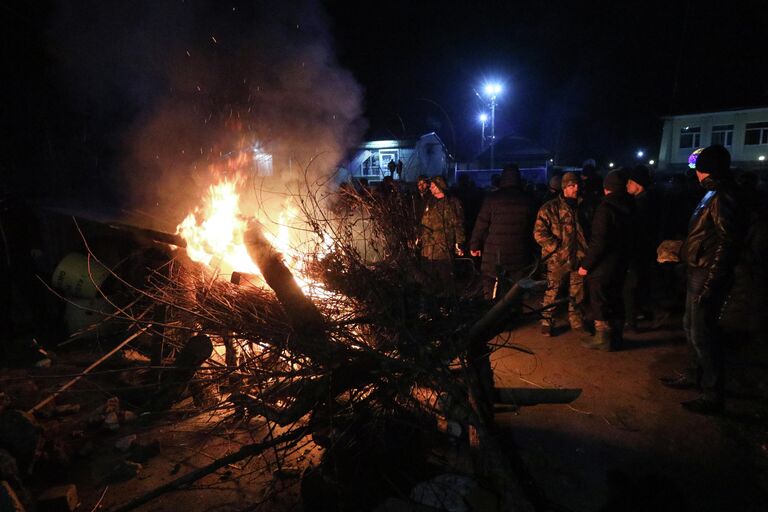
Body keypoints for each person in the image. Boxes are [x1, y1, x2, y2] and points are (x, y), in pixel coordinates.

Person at [660, 145, 744, 415]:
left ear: (706, 169)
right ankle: (693, 375)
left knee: (703, 334)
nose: (694, 172)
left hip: (706, 273)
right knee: (690, 326)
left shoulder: (722, 196)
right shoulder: (711, 193)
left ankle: (712, 394)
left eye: (698, 166)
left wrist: (711, 282)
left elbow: (726, 243)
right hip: (697, 270)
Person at [578, 170, 635, 350]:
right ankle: (616, 337)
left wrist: (586, 265)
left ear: (606, 188)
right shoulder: (631, 205)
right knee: (616, 299)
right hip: (622, 262)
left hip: (604, 265)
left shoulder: (605, 208)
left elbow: (599, 241)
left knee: (599, 300)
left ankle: (603, 339)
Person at [470, 164, 537, 300]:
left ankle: (491, 314)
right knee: (515, 288)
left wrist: (474, 245)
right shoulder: (527, 200)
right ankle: (514, 315)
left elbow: (481, 224)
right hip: (519, 252)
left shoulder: (492, 198)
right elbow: (533, 228)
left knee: (491, 284)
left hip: (494, 252)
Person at [533, 172, 589, 336]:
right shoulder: (550, 208)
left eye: (577, 185)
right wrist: (557, 248)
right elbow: (539, 233)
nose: (576, 188)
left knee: (578, 292)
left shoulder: (584, 207)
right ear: (564, 187)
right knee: (553, 291)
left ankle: (576, 320)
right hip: (557, 260)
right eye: (572, 185)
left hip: (579, 258)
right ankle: (547, 321)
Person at [623, 165, 657, 331]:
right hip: (647, 251)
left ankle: (631, 322)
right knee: (640, 284)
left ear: (638, 183)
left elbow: (636, 230)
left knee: (630, 286)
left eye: (630, 182)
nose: (627, 185)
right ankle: (643, 312)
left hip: (638, 251)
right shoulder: (650, 199)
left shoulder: (640, 203)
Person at [420, 176, 465, 288]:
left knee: (446, 278)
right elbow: (424, 222)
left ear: (440, 186)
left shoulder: (452, 202)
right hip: (429, 248)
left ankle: (447, 300)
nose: (430, 188)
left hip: (444, 246)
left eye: (433, 186)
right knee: (431, 280)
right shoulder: (430, 202)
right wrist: (420, 238)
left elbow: (458, 224)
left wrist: (459, 243)